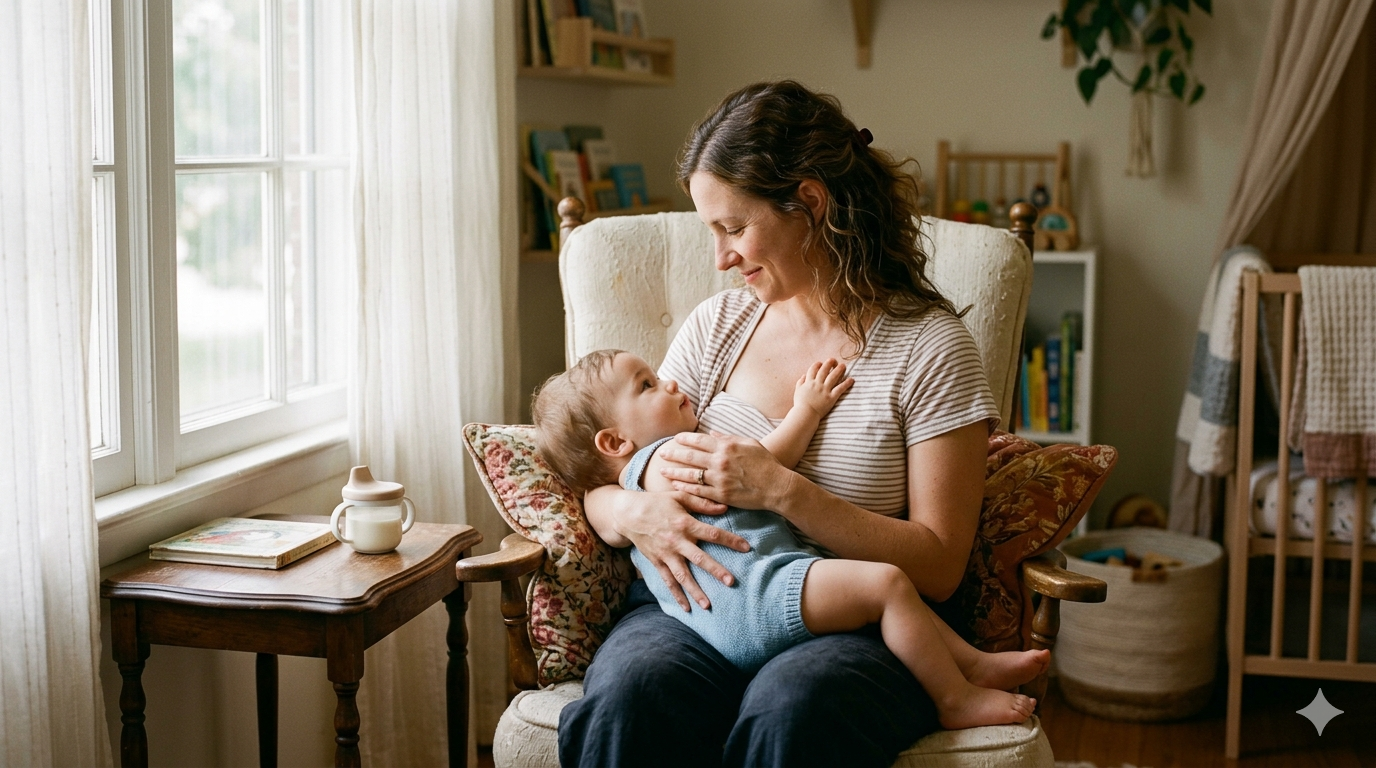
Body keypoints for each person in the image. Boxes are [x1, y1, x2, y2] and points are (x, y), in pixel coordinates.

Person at [559, 80, 1005, 768]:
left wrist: (784, 491)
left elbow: (941, 567)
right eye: (712, 232)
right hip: (694, 606)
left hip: (850, 620)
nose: (721, 258)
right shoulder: (718, 326)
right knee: (629, 696)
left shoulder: (931, 348)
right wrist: (631, 512)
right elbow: (611, 472)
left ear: (810, 204)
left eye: (734, 228)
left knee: (792, 709)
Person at [532, 348, 1046, 729]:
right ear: (615, 441)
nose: (668, 382)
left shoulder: (642, 471)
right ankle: (954, 695)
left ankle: (970, 665)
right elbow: (765, 463)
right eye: (647, 385)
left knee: (882, 592)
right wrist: (808, 410)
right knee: (887, 585)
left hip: (717, 615)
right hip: (759, 594)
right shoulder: (674, 454)